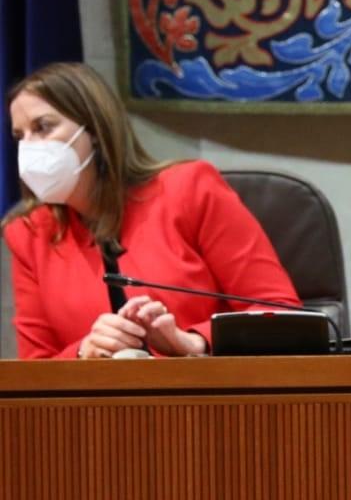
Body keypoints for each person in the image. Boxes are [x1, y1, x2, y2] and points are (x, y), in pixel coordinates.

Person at [4, 62, 300, 359]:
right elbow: (35, 368)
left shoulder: (190, 189)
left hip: (209, 396)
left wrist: (195, 343)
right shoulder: (29, 234)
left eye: (43, 127)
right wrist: (83, 354)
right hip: (97, 404)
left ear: (94, 129)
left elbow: (280, 311)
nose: (29, 148)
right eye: (20, 136)